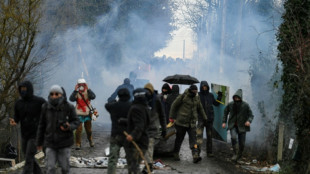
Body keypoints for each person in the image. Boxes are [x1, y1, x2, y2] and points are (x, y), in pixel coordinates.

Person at [36, 85, 80, 174]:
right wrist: (39, 142)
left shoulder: (69, 107)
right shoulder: (45, 107)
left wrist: (69, 126)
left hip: (64, 142)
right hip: (50, 143)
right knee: (50, 167)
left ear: (62, 95)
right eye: (52, 94)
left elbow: (76, 121)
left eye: (57, 94)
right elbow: (41, 125)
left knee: (65, 168)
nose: (54, 96)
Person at [10, 81, 46, 174]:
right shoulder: (18, 103)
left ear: (29, 89)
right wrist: (14, 121)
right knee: (28, 156)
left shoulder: (39, 101)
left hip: (36, 134)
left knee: (29, 156)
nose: (23, 91)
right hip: (24, 135)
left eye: (25, 89)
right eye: (21, 89)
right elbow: (17, 117)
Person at [169, 85, 208, 163]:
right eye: (194, 91)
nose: (196, 92)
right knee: (179, 139)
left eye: (196, 91)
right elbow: (174, 105)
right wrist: (171, 117)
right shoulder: (183, 96)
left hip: (192, 123)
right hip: (181, 123)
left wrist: (205, 117)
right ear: (191, 90)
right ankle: (176, 153)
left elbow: (200, 108)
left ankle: (195, 155)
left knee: (194, 140)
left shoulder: (197, 97)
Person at [222, 89, 254, 161]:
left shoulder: (245, 105)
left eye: (238, 97)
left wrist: (249, 121)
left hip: (242, 126)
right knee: (233, 137)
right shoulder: (230, 104)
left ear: (240, 97)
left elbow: (251, 115)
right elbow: (225, 112)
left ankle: (239, 155)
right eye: (235, 97)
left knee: (242, 143)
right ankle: (235, 153)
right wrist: (224, 122)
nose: (236, 99)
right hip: (233, 125)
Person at [105, 88, 132, 174]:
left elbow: (107, 105)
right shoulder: (131, 106)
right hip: (128, 136)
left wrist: (114, 101)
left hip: (115, 135)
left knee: (113, 159)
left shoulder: (113, 106)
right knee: (131, 159)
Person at [124, 88, 150, 174]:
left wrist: (132, 136)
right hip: (144, 140)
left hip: (137, 143)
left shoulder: (136, 108)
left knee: (133, 167)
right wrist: (124, 121)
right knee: (134, 166)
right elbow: (139, 121)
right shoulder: (145, 107)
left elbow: (140, 125)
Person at [143, 83, 167, 173]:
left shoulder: (156, 100)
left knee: (149, 147)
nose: (147, 92)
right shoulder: (142, 99)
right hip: (143, 128)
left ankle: (148, 166)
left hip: (153, 128)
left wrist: (164, 129)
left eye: (148, 91)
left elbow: (162, 115)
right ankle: (147, 165)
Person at [197, 81, 222, 157]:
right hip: (201, 119)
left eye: (206, 86)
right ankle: (197, 153)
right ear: (201, 87)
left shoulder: (210, 95)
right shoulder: (198, 95)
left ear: (207, 87)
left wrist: (220, 96)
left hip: (209, 119)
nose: (204, 87)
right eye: (203, 86)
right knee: (199, 137)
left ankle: (209, 152)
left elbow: (216, 103)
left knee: (209, 137)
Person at [69, 78, 96, 149]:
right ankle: (78, 144)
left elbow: (93, 97)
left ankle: (90, 140)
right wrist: (75, 90)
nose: (81, 86)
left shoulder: (88, 91)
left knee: (89, 129)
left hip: (87, 112)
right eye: (79, 85)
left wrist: (88, 89)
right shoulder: (76, 93)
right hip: (78, 112)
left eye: (83, 85)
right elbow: (71, 99)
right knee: (78, 130)